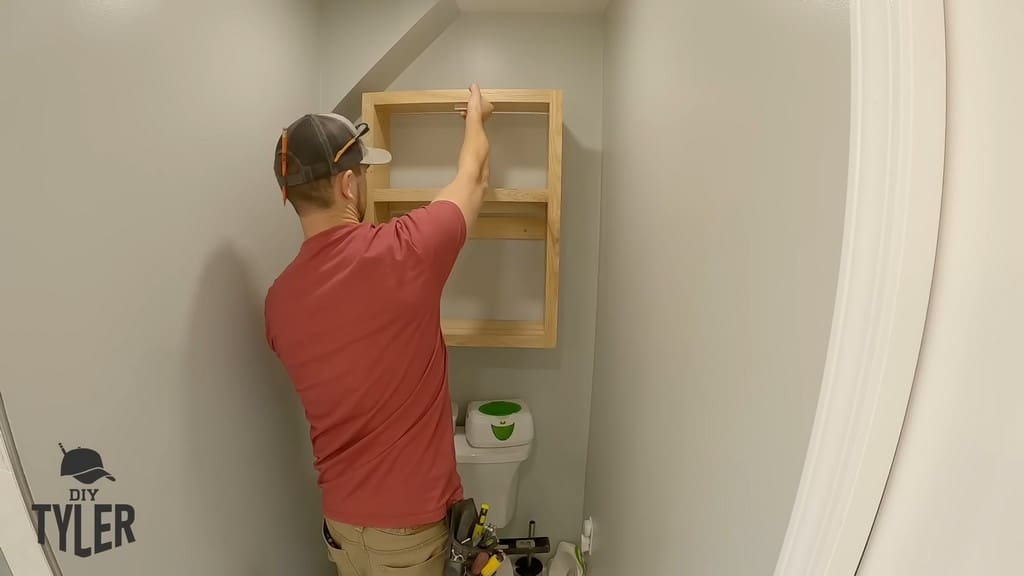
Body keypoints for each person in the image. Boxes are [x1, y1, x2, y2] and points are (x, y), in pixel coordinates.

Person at [263, 84, 494, 576]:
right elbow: (473, 176)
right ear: (349, 185)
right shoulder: (406, 251)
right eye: (364, 174)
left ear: (288, 195)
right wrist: (477, 117)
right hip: (408, 535)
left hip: (341, 526)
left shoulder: (277, 303)